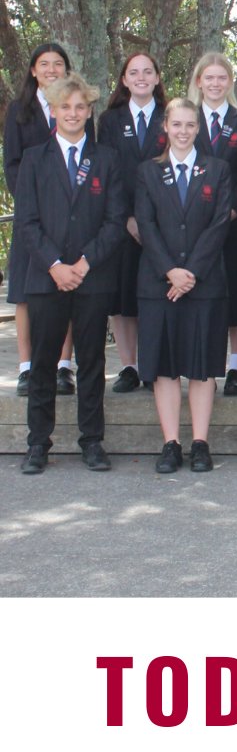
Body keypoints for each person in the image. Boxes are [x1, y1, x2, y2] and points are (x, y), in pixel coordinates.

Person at [16, 73, 125, 474]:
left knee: (92, 361)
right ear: (55, 112)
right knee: (44, 363)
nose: (74, 113)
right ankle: (37, 444)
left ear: (89, 110)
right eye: (66, 107)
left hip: (92, 277)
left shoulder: (107, 159)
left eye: (80, 107)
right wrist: (55, 266)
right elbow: (26, 223)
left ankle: (92, 441)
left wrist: (83, 264)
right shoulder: (33, 159)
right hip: (47, 279)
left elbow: (115, 222)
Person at [134, 98, 232, 473]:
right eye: (177, 124)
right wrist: (170, 272)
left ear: (198, 128)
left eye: (190, 125)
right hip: (159, 285)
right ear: (166, 128)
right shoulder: (147, 172)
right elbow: (146, 225)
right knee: (165, 367)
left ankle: (200, 443)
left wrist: (190, 272)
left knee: (202, 366)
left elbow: (219, 224)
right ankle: (171, 443)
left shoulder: (218, 170)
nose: (183, 131)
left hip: (204, 283)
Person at [3, 43, 87, 397]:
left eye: (58, 64)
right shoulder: (19, 110)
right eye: (44, 64)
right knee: (25, 292)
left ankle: (63, 366)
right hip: (32, 218)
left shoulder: (78, 109)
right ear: (33, 71)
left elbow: (87, 161)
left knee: (66, 289)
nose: (51, 69)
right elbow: (12, 164)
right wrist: (32, 205)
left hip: (70, 215)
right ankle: (26, 367)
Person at [96, 52, 168, 392]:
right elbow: (107, 173)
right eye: (133, 72)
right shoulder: (110, 121)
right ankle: (129, 366)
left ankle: (154, 364)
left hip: (164, 226)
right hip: (121, 225)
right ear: (124, 80)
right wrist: (126, 218)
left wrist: (152, 221)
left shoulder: (173, 117)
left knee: (156, 296)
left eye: (147, 71)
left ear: (157, 78)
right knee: (122, 296)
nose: (141, 77)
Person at [188, 52, 237, 397]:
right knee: (202, 293)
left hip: (232, 224)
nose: (215, 84)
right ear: (199, 81)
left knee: (235, 294)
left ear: (230, 83)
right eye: (209, 78)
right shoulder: (187, 117)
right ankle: (204, 364)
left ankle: (235, 367)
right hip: (193, 225)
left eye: (221, 78)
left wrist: (231, 209)